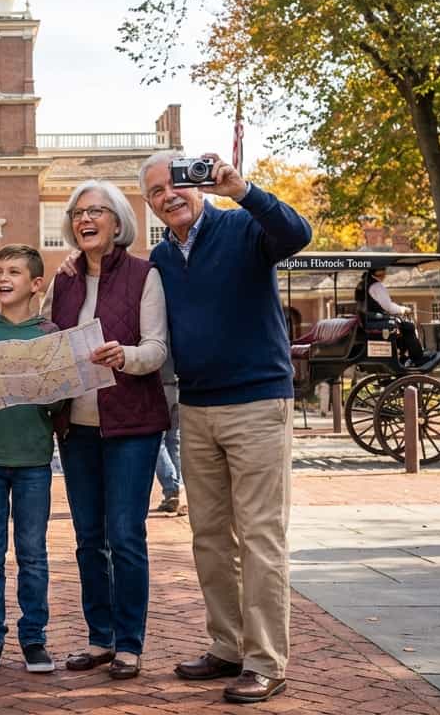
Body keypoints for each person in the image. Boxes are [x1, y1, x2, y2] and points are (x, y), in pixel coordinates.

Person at [142, 151, 311, 704]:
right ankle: (228, 646)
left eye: (178, 184)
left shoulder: (243, 225)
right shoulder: (161, 258)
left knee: (261, 535)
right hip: (196, 407)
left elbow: (297, 234)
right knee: (210, 536)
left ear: (201, 185)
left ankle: (267, 660)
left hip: (258, 402)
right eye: (156, 193)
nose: (169, 196)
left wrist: (246, 190)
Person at [44, 180, 170, 681]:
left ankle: (130, 644)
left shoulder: (145, 275)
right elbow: (46, 338)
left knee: (125, 535)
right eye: (77, 212)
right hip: (76, 429)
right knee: (87, 537)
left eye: (96, 211)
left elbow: (158, 348)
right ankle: (100, 639)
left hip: (132, 425)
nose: (84, 219)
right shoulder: (64, 279)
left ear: (118, 222)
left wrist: (126, 355)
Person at [0, 245, 59, 675]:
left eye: (14, 272)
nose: (3, 278)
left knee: (33, 554)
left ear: (35, 284)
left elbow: (62, 402)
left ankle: (34, 639)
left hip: (34, 459)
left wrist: (57, 386)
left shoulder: (49, 333)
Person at [355, 268, 426, 365]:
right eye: (383, 270)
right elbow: (388, 307)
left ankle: (402, 356)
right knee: (408, 326)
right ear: (377, 272)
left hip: (368, 320)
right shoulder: (376, 286)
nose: (385, 273)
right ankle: (418, 358)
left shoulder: (362, 284)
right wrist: (403, 309)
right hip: (374, 321)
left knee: (400, 324)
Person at [152, 347, 183, 514]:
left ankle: (172, 488)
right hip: (178, 386)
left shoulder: (158, 323)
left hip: (160, 386)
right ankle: (174, 491)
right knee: (173, 441)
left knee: (157, 441)